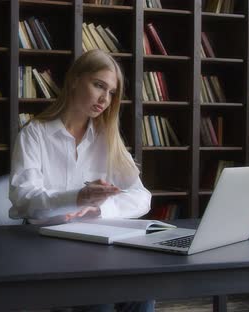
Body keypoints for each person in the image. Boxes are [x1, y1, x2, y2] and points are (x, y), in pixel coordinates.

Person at [9, 50, 154, 312]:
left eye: (111, 92)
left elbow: (142, 196)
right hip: (46, 244)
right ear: (75, 79)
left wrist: (101, 208)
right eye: (99, 85)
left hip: (99, 243)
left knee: (142, 291)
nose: (104, 99)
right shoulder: (35, 134)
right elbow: (24, 198)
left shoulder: (107, 138)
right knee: (101, 300)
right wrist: (77, 196)